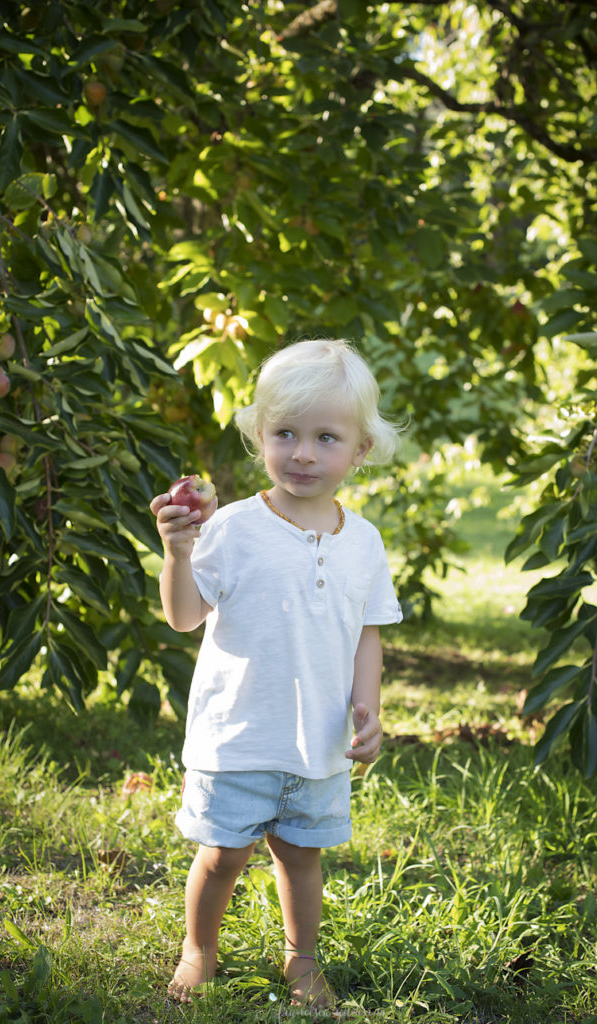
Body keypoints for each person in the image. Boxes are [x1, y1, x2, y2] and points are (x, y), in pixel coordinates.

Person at [150, 338, 402, 1010]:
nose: (302, 453)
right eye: (284, 433)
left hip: (316, 742)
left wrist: (368, 709)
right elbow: (182, 617)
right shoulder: (232, 528)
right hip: (238, 733)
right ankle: (198, 950)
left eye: (325, 437)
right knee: (223, 856)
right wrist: (179, 553)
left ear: (360, 451)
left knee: (300, 856)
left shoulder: (365, 542)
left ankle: (301, 959)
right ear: (260, 434)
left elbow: (366, 633)